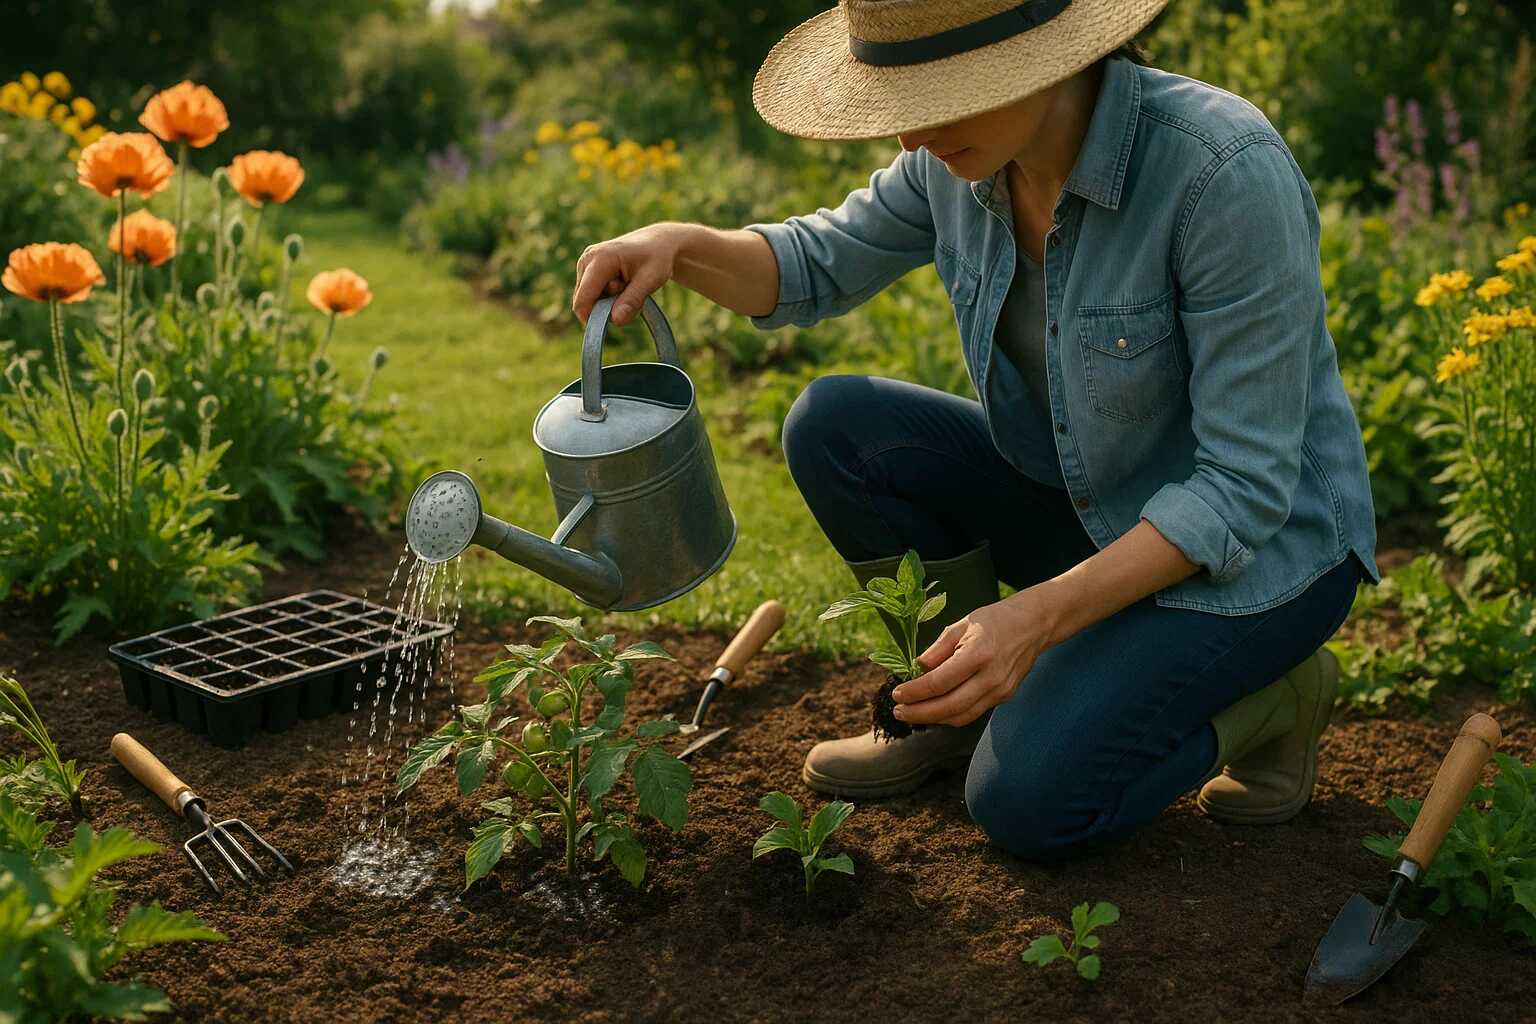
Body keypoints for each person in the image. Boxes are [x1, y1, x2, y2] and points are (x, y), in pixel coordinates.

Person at [569, 0, 1380, 861]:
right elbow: (809, 266)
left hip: (1264, 558)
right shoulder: (958, 163)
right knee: (840, 427)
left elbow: (1243, 490)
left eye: (941, 94)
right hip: (1095, 504)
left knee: (1030, 803)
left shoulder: (1220, 171)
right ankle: (955, 706)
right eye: (901, 102)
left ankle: (1274, 699)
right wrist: (678, 244)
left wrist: (1034, 617)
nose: (912, 139)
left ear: (1042, 57)